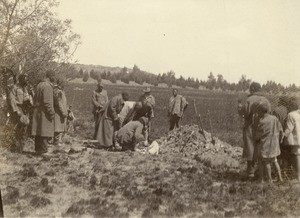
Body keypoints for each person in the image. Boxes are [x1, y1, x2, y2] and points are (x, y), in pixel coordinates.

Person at [238, 82, 271, 178]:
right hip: (263, 128)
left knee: (250, 148)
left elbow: (244, 113)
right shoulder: (266, 100)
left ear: (252, 89)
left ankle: (251, 171)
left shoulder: (249, 99)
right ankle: (262, 172)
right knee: (262, 148)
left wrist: (239, 108)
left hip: (251, 127)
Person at [255, 100, 283, 183]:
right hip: (274, 145)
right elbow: (281, 129)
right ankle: (280, 178)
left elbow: (259, 134)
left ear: (261, 112)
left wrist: (256, 139)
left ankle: (267, 179)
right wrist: (280, 138)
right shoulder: (275, 119)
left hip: (265, 145)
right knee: (275, 161)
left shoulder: (262, 121)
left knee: (265, 162)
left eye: (258, 112)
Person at [31, 70, 56, 155]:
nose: (55, 78)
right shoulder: (47, 86)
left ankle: (38, 151)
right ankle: (43, 152)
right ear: (50, 76)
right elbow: (47, 102)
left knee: (38, 132)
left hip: (37, 111)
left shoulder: (39, 85)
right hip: (44, 113)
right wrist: (52, 113)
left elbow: (34, 98)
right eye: (54, 76)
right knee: (44, 132)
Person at [7, 74, 33, 152]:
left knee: (24, 129)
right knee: (17, 128)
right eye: (25, 79)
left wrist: (31, 94)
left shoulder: (26, 89)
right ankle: (14, 147)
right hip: (18, 109)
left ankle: (21, 148)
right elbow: (12, 100)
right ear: (21, 79)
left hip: (25, 110)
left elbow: (30, 99)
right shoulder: (15, 88)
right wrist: (16, 110)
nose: (26, 81)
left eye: (27, 79)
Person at [283, 97, 300, 181]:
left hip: (296, 139)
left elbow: (289, 128)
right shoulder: (298, 114)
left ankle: (298, 176)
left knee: (296, 156)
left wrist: (283, 135)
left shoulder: (290, 115)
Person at [273, 96, 290, 168]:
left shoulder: (276, 110)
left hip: (278, 134)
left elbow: (275, 123)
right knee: (286, 153)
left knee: (278, 153)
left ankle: (279, 170)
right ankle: (285, 170)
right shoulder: (289, 110)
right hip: (288, 134)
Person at [53, 78, 68, 145]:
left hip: (61, 112)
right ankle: (56, 141)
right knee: (57, 127)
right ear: (60, 83)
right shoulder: (57, 91)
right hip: (58, 112)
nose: (64, 84)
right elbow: (59, 103)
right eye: (63, 83)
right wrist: (63, 112)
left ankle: (58, 140)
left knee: (60, 127)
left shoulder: (61, 91)